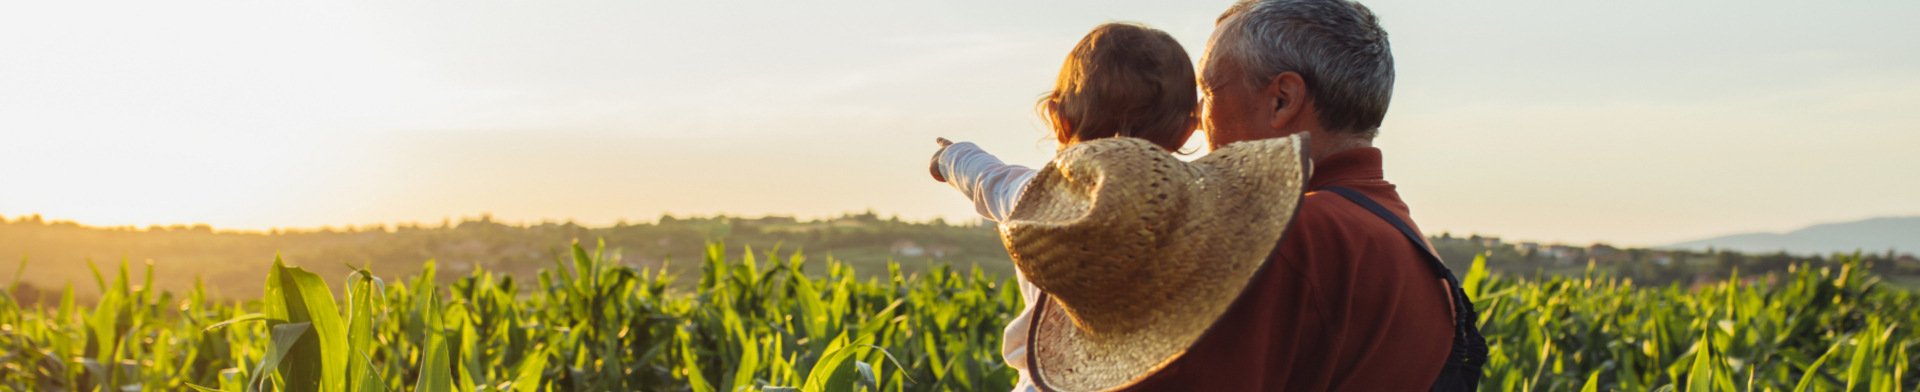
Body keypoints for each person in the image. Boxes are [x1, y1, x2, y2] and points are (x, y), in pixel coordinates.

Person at [984, 0, 1489, 391]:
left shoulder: (1286, 241)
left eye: (1208, 91)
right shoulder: (1395, 234)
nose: (1197, 121)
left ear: (1282, 100)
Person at [926, 22, 1201, 392]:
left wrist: (951, 156)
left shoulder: (1036, 195)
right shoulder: (1197, 208)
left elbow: (987, 178)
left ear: (1059, 119)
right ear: (1187, 129)